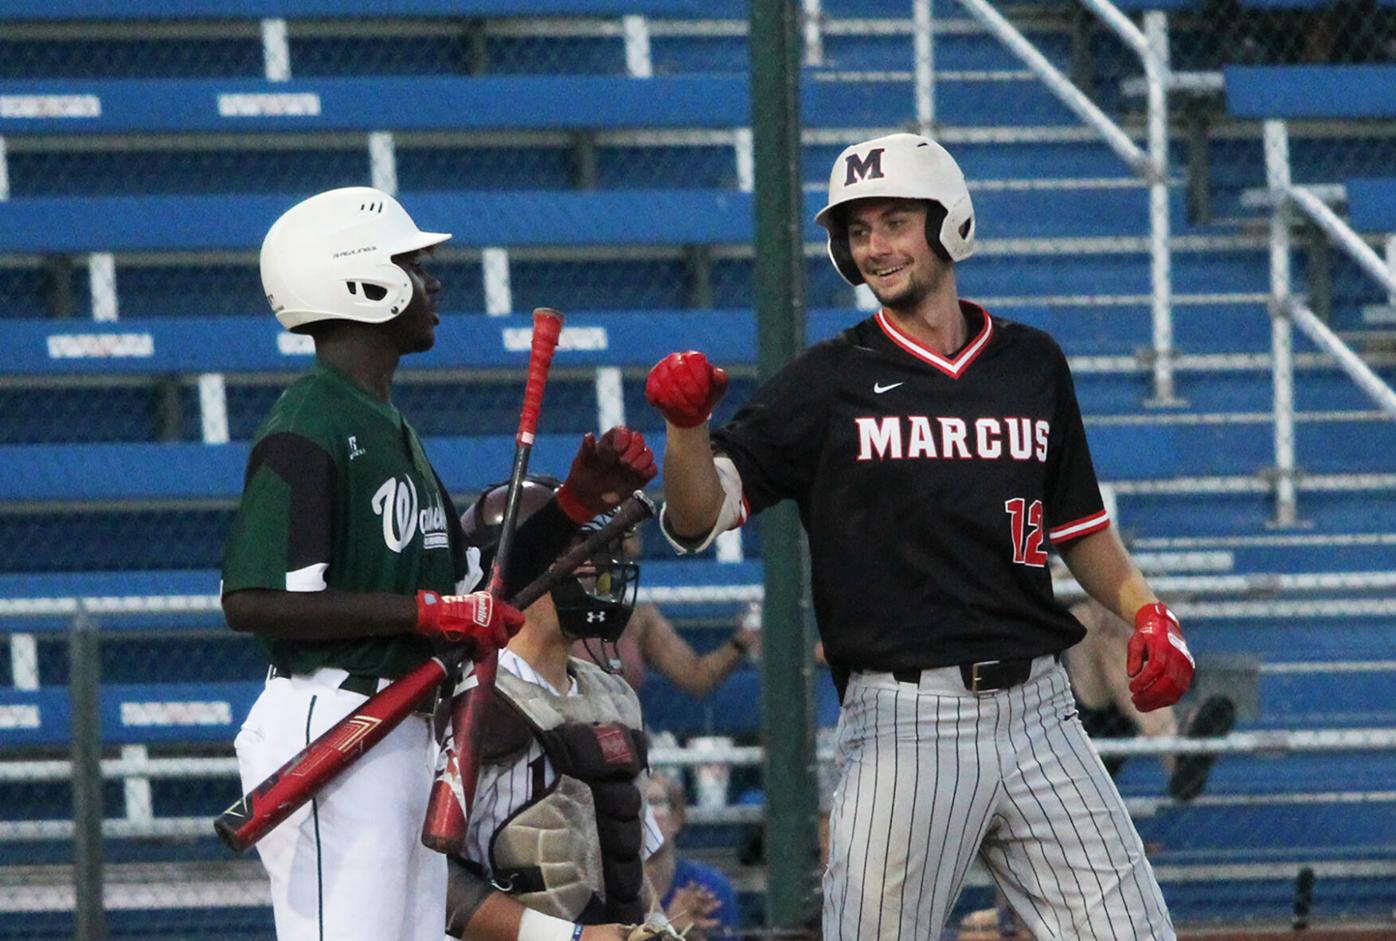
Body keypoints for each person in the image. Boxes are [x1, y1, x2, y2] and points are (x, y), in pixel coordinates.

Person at [642, 134, 1197, 940]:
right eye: (858, 231)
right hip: (907, 718)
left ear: (949, 222)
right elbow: (696, 518)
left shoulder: (1031, 362)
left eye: (894, 222)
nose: (874, 246)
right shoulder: (829, 380)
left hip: (1042, 710)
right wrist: (686, 429)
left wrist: (1148, 609)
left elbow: (1081, 529)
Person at [222, 186, 656, 941]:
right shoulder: (308, 420)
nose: (434, 282)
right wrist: (425, 615)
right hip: (335, 716)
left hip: (401, 723)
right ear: (360, 279)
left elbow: (480, 592)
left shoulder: (390, 425)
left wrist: (571, 507)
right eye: (414, 264)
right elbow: (254, 600)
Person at [444, 477, 680, 941]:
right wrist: (570, 939)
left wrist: (662, 930)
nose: (596, 567)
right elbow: (431, 876)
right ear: (517, 566)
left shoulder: (613, 697)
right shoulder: (465, 697)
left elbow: (627, 863)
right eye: (575, 551)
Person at [643, 772, 742, 940]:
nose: (645, 814)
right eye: (635, 804)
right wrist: (670, 931)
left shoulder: (710, 889)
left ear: (677, 818)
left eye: (655, 802)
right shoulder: (602, 892)